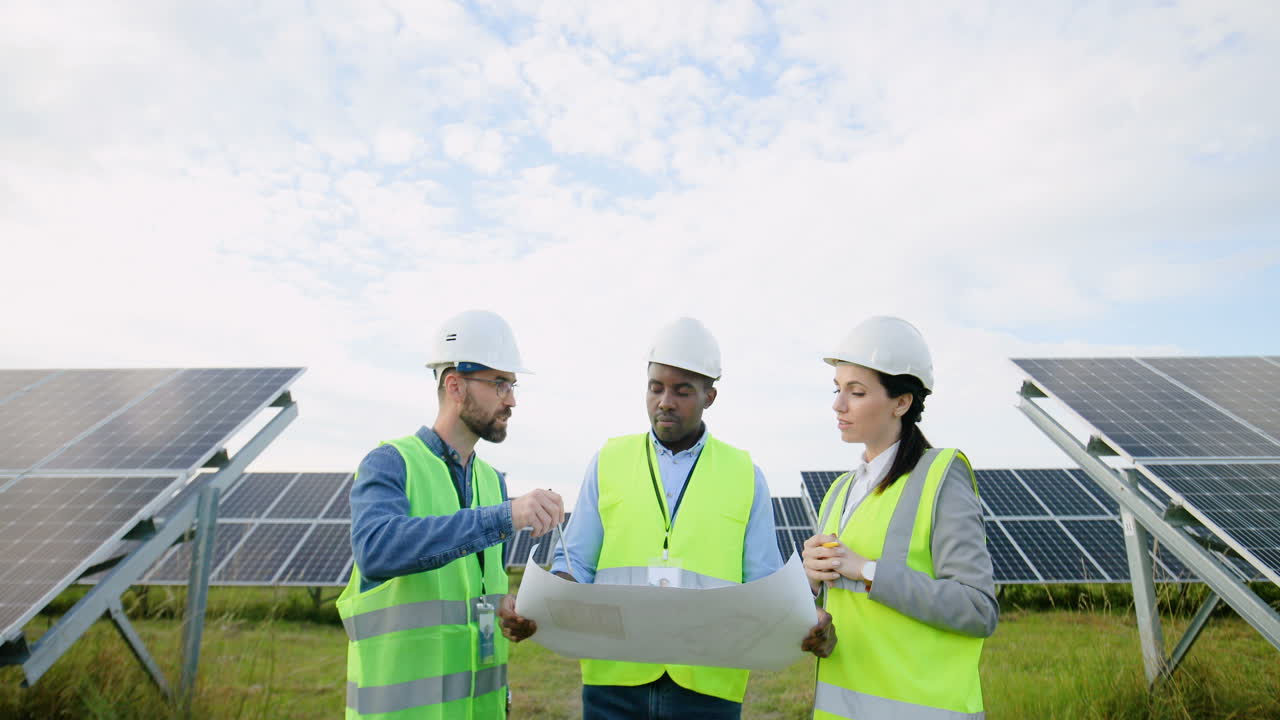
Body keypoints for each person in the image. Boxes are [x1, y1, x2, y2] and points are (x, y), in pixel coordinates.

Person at [500, 317, 834, 720]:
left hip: (709, 683)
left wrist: (802, 615)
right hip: (614, 681)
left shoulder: (744, 473)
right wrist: (541, 606)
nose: (665, 401)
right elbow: (576, 564)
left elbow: (762, 583)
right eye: (656, 387)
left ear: (710, 396)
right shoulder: (609, 460)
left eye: (682, 391)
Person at [337, 309, 564, 719]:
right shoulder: (390, 463)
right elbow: (377, 550)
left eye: (512, 385)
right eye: (499, 383)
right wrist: (505, 517)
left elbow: (469, 594)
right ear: (455, 385)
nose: (511, 399)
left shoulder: (493, 483)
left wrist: (506, 609)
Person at [802, 316, 998, 720]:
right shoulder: (838, 491)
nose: (838, 405)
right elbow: (842, 610)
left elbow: (978, 609)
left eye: (856, 392)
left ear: (901, 402)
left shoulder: (941, 475)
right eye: (837, 390)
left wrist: (867, 570)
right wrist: (811, 598)